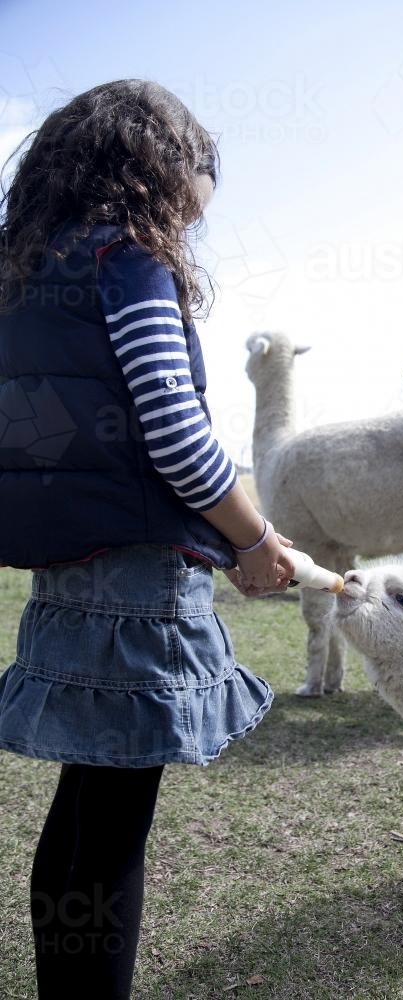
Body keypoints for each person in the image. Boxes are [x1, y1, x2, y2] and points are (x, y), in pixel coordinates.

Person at [0, 79, 295, 999]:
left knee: (83, 810)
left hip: (64, 573)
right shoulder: (127, 260)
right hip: (138, 579)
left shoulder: (25, 277)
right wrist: (252, 539)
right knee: (116, 821)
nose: (192, 218)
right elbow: (170, 424)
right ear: (160, 170)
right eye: (193, 193)